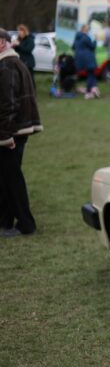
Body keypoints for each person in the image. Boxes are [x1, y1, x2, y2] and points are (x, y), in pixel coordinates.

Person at [0, 28, 42, 237]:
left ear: (2, 43)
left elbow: (8, 104)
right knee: (6, 178)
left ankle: (26, 224)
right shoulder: (12, 63)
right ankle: (6, 221)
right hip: (14, 130)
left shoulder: (7, 65)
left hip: (12, 132)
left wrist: (5, 137)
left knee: (12, 179)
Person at [72, 24, 99, 99]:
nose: (88, 30)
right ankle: (89, 92)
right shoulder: (86, 37)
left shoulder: (77, 37)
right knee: (91, 74)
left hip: (80, 59)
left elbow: (73, 47)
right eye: (87, 29)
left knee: (90, 74)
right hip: (88, 58)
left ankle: (93, 89)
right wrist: (95, 40)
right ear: (84, 29)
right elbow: (92, 47)